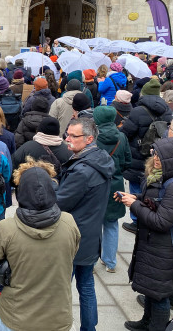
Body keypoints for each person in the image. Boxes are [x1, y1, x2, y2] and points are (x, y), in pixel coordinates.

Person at [0, 165, 81, 331]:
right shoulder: (69, 222)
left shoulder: (6, 229)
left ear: (20, 194)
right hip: (58, 318)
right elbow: (72, 253)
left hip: (16, 319)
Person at [119, 138, 173, 331]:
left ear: (172, 160)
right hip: (152, 242)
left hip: (164, 247)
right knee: (150, 288)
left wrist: (134, 205)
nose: (156, 158)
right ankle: (146, 322)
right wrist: (136, 197)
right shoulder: (161, 177)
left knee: (159, 294)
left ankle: (156, 327)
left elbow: (161, 222)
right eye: (155, 154)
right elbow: (156, 201)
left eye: (161, 156)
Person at [57, 117, 114, 331]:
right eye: (67, 134)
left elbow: (60, 202)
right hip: (91, 235)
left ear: (89, 139)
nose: (67, 139)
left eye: (73, 136)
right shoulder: (100, 158)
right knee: (87, 285)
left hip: (73, 238)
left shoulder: (82, 171)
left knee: (61, 289)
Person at [120, 77, 173, 234]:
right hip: (158, 155)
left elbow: (126, 133)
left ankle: (136, 220)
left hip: (138, 155)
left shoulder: (137, 111)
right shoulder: (168, 111)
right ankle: (149, 216)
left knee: (136, 187)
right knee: (153, 186)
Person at [93, 106, 131, 274]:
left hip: (95, 184)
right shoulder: (121, 137)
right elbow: (127, 161)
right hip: (115, 184)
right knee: (112, 224)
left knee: (92, 224)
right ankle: (110, 262)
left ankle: (90, 261)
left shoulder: (92, 136)